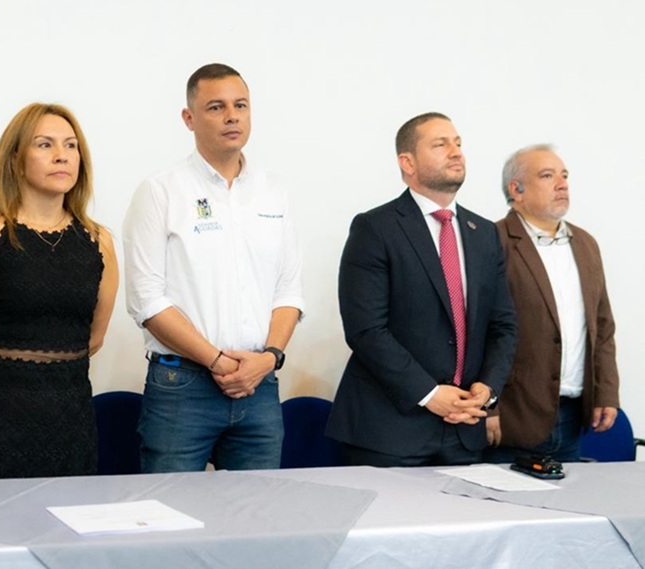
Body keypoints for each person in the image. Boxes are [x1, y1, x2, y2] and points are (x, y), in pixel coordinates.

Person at [122, 63, 304, 473]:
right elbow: (146, 301)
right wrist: (218, 361)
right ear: (189, 118)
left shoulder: (274, 191)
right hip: (182, 387)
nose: (232, 116)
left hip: (260, 385)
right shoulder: (160, 190)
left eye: (240, 105)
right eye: (216, 107)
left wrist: (270, 357)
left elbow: (288, 291)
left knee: (255, 521)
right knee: (170, 519)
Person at [0, 102, 118, 480]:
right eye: (44, 144)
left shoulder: (99, 241)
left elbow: (93, 337)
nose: (61, 155)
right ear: (15, 159)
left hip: (71, 423)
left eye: (71, 145)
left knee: (67, 530)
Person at [325, 112, 517, 467]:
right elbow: (366, 330)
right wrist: (429, 394)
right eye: (440, 144)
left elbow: (503, 325)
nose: (456, 152)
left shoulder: (485, 233)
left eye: (458, 143)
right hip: (388, 432)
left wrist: (486, 391)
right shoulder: (375, 228)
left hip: (464, 430)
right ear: (407, 162)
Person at [484, 144, 619, 463]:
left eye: (565, 175)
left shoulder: (585, 243)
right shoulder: (493, 240)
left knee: (568, 510)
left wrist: (606, 392)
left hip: (572, 414)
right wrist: (488, 407)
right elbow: (477, 332)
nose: (562, 184)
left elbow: (602, 327)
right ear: (515, 189)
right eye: (547, 176)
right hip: (513, 417)